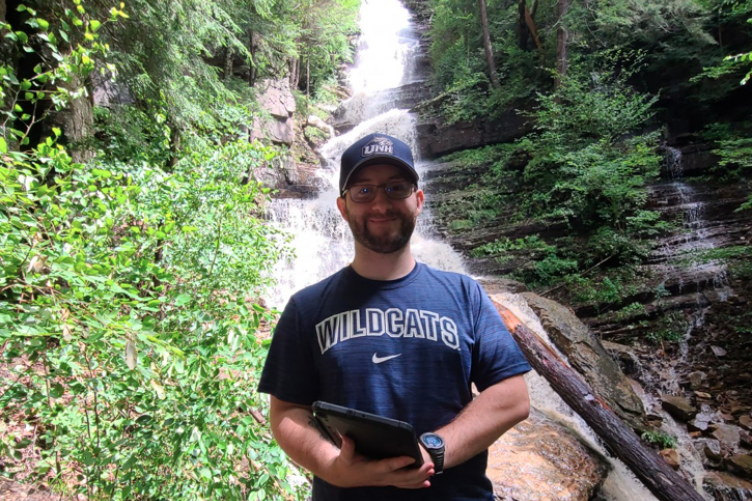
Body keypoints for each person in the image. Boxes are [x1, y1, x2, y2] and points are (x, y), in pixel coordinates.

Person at [258, 133, 531, 500]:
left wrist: (435, 448)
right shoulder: (305, 308)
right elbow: (287, 412)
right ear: (342, 207)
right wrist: (333, 465)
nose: (381, 203)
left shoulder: (465, 294)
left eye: (395, 188)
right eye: (364, 191)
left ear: (418, 201)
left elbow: (512, 396)